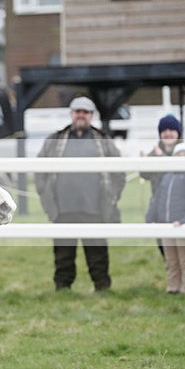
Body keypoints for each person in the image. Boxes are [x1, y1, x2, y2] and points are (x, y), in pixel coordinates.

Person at [35, 96, 126, 292]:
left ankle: (102, 287)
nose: (81, 115)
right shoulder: (55, 140)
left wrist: (112, 196)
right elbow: (39, 171)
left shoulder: (103, 141)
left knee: (97, 252)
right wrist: (45, 194)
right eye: (77, 112)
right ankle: (63, 288)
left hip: (95, 209)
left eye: (85, 112)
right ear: (71, 114)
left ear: (91, 115)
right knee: (63, 253)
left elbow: (119, 172)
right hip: (62, 209)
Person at [146, 143, 185, 294]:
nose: (182, 158)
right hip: (166, 224)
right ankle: (173, 287)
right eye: (178, 155)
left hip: (182, 225)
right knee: (171, 259)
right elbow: (158, 198)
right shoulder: (167, 177)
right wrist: (151, 216)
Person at [140, 114, 182, 257]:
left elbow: (179, 173)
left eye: (171, 130)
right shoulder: (154, 152)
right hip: (159, 207)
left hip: (180, 208)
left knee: (183, 252)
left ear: (178, 132)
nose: (167, 133)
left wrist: (161, 158)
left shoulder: (184, 151)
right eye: (164, 130)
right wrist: (143, 163)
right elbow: (145, 175)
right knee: (165, 250)